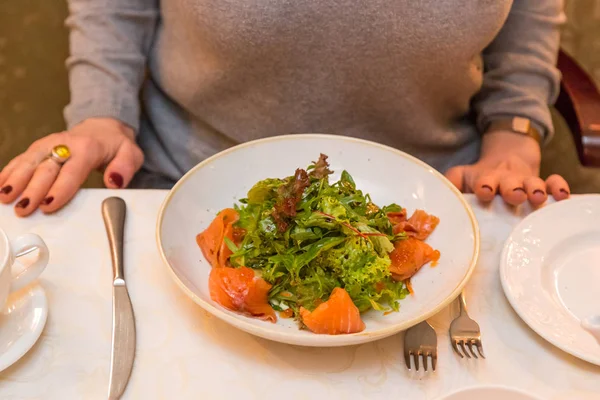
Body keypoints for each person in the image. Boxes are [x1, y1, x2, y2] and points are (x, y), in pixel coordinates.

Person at [0, 0, 571, 217]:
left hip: (433, 194)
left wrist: (512, 136)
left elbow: (529, 15)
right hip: (193, 181)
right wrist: (103, 115)